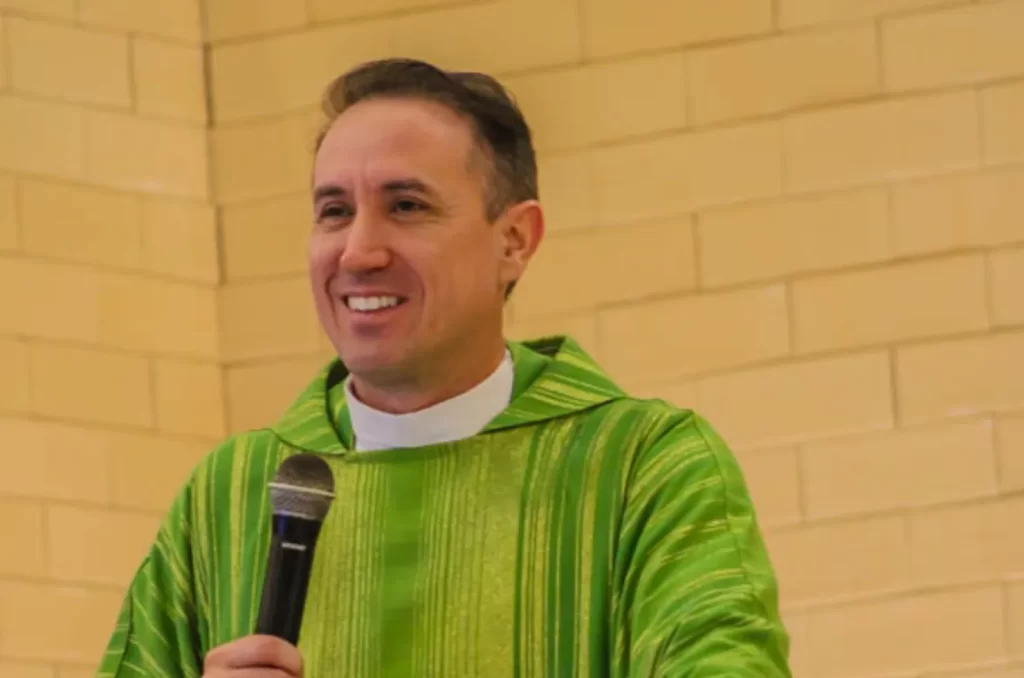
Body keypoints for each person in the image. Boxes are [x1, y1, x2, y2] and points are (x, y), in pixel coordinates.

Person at [96, 58, 791, 677]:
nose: (358, 251)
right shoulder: (231, 491)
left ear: (514, 240)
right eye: (334, 211)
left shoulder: (643, 468)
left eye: (406, 206)